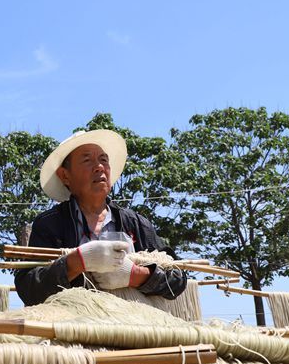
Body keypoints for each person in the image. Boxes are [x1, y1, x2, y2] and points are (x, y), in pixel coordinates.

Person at [15, 129, 188, 306]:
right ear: (65, 175)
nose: (99, 167)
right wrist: (76, 263)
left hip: (133, 328)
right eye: (87, 160)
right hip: (74, 328)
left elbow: (178, 277)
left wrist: (135, 276)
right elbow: (28, 288)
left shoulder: (135, 223)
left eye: (103, 160)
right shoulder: (50, 225)